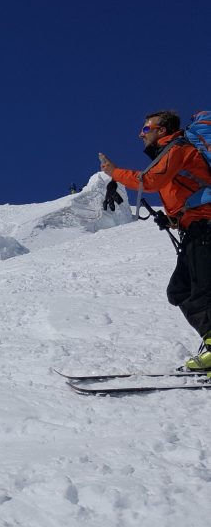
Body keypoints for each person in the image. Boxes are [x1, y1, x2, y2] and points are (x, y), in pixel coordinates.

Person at [99, 110, 211, 370]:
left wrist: (114, 172)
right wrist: (173, 219)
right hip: (196, 227)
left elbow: (149, 181)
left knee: (203, 290)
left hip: (205, 226)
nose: (141, 133)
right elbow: (187, 192)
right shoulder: (170, 155)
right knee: (180, 290)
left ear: (162, 130)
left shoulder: (178, 148)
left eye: (146, 128)